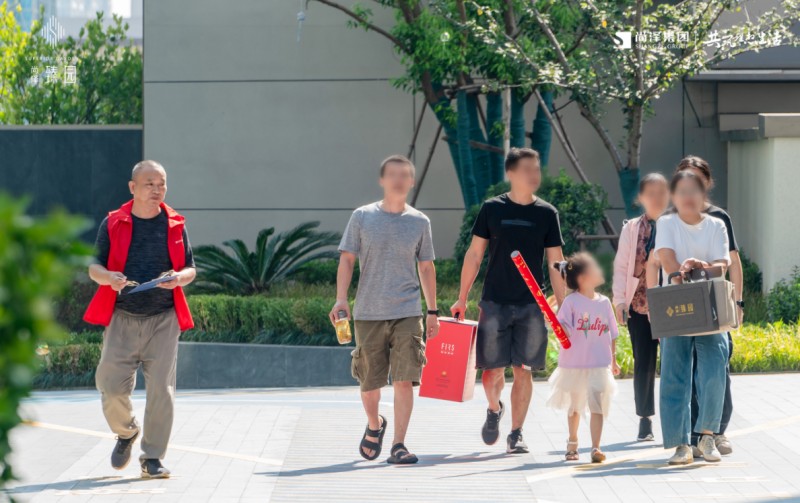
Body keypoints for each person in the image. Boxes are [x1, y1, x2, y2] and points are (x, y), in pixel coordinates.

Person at [84, 160, 197, 478]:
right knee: (110, 386)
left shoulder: (175, 224)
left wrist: (178, 278)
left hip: (163, 319)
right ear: (133, 187)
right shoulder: (113, 223)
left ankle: (152, 458)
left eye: (162, 184)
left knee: (162, 390)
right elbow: (94, 267)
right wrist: (109, 277)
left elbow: (191, 268)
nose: (157, 190)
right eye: (150, 184)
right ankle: (126, 431)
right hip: (122, 318)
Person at [451, 147, 566, 454]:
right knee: (491, 373)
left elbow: (556, 262)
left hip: (532, 305)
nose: (534, 175)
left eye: (536, 169)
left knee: (523, 370)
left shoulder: (547, 213)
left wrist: (564, 305)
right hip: (495, 302)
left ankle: (516, 433)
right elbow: (474, 255)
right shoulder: (492, 209)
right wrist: (462, 297)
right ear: (511, 173)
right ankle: (494, 409)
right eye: (527, 169)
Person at [330, 154, 439, 465]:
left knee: (405, 379)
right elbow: (347, 259)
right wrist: (341, 299)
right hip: (368, 312)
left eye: (404, 175)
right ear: (382, 180)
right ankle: (375, 424)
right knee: (370, 383)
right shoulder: (362, 217)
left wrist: (432, 311)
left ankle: (399, 445)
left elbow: (426, 267)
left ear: (412, 181)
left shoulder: (420, 222)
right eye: (393, 175)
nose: (398, 180)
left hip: (408, 311)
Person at [651, 170, 730, 465]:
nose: (688, 196)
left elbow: (722, 265)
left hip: (710, 305)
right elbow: (667, 259)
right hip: (676, 303)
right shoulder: (666, 222)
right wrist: (681, 271)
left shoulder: (717, 225)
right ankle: (681, 444)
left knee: (714, 372)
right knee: (674, 374)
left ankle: (707, 436)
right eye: (682, 191)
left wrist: (701, 265)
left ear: (704, 192)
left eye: (694, 190)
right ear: (673, 195)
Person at [674, 156, 742, 457]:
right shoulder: (670, 218)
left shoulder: (718, 217)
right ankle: (692, 435)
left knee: (717, 366)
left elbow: (733, 262)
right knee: (686, 368)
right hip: (682, 303)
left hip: (714, 302)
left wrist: (738, 302)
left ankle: (717, 431)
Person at [612, 173, 669, 442]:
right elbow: (621, 266)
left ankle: (673, 418)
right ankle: (645, 420)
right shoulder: (632, 228)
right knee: (643, 364)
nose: (656, 198)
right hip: (639, 306)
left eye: (662, 193)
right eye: (651, 193)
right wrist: (619, 301)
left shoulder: (676, 224)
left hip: (670, 306)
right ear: (641, 198)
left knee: (673, 363)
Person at [547, 253, 620, 463]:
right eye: (595, 268)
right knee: (575, 406)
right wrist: (557, 325)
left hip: (599, 363)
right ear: (583, 277)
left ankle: (596, 447)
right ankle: (572, 442)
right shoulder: (571, 302)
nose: (600, 270)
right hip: (575, 364)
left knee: (597, 404)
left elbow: (612, 333)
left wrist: (613, 360)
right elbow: (564, 331)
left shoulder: (604, 303)